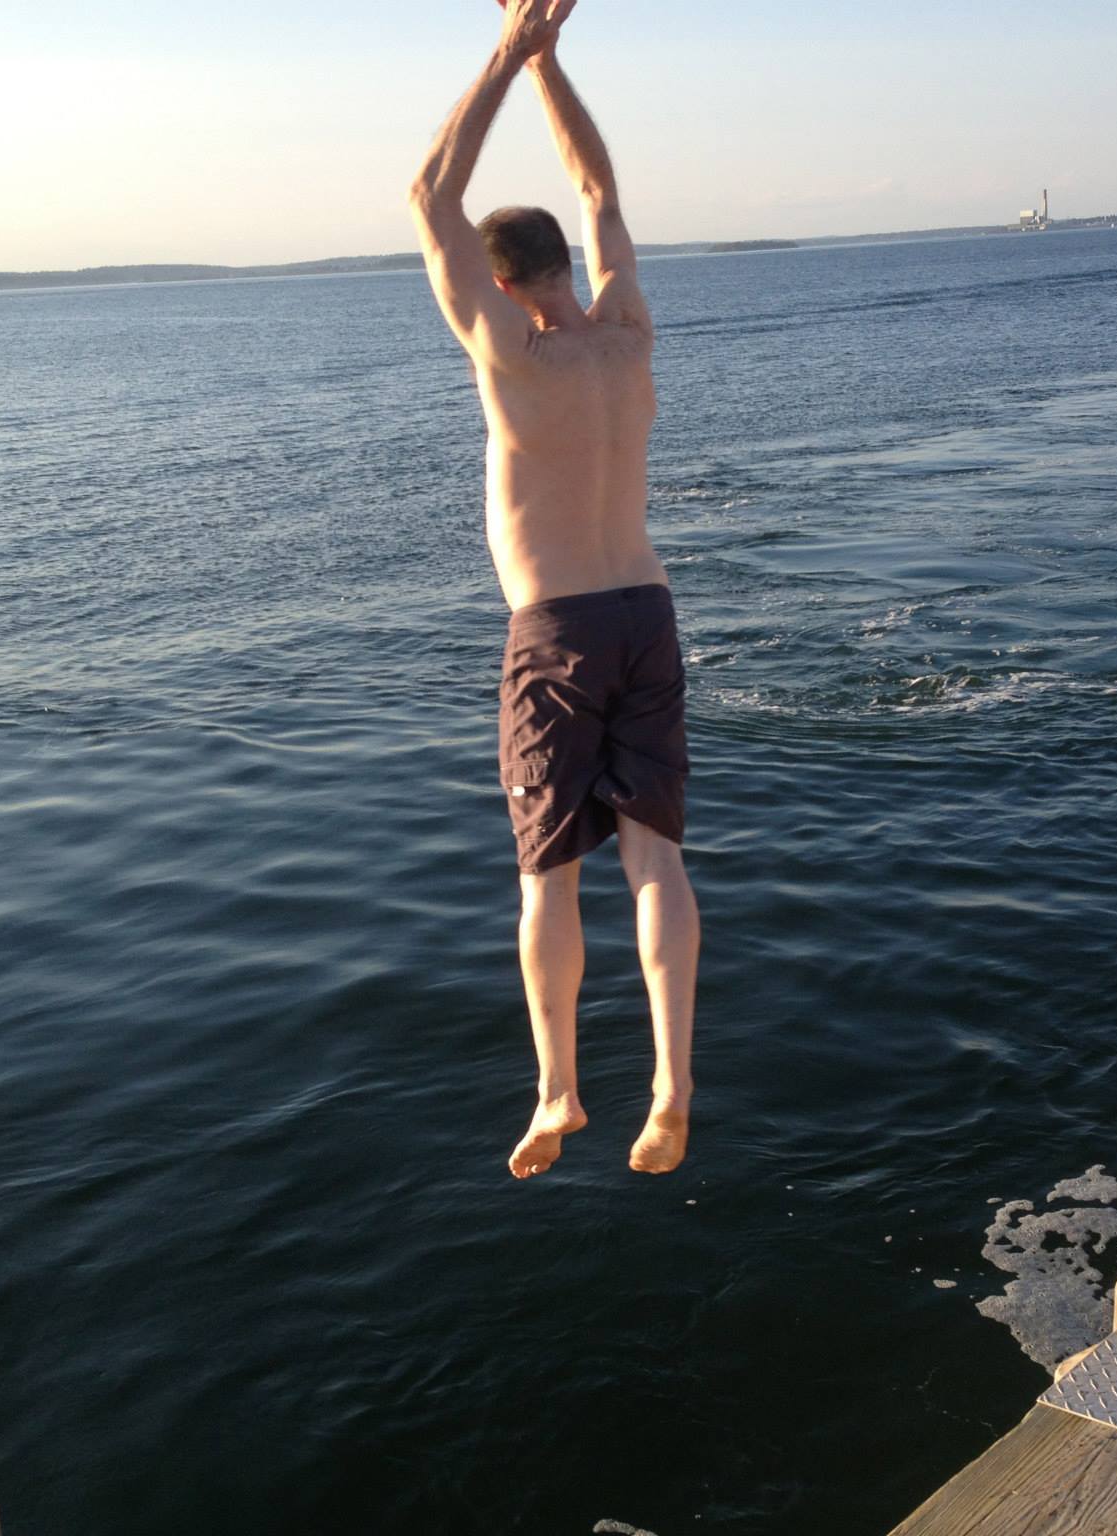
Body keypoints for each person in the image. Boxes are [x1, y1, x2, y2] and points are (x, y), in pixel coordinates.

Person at [408, 0, 699, 1179]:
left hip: (556, 631)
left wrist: (502, 53)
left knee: (547, 875)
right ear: (563, 265)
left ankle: (561, 1091)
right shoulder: (625, 327)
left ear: (496, 278)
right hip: (646, 609)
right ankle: (673, 1086)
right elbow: (602, 189)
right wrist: (551, 65)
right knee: (656, 864)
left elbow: (430, 192)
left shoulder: (509, 353)